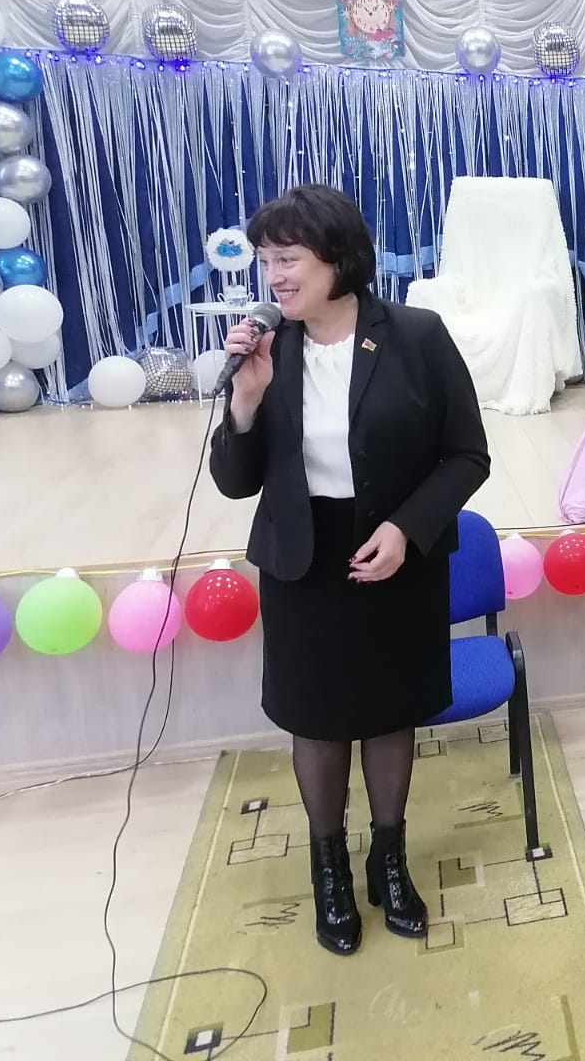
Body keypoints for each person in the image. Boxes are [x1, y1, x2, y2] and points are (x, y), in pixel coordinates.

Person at [209, 184, 490, 954]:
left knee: (391, 710)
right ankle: (329, 870)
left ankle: (388, 862)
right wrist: (246, 401)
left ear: (339, 257)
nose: (274, 277)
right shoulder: (269, 350)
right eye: (266, 261)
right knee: (319, 717)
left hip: (396, 552)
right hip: (303, 558)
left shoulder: (416, 336)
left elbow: (467, 455)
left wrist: (406, 528)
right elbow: (234, 481)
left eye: (288, 259)